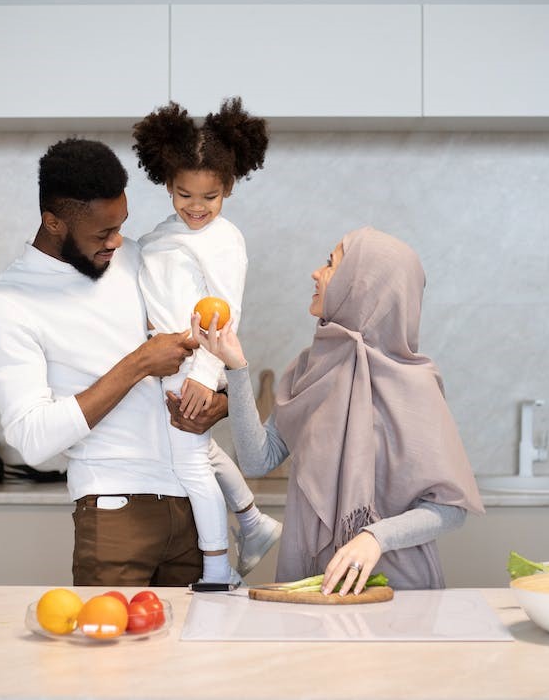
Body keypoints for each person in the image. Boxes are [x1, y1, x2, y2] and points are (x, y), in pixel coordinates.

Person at [0, 137, 228, 587]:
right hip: (114, 514)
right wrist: (137, 364)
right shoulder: (9, 304)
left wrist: (219, 400)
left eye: (121, 226)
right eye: (101, 233)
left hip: (193, 507)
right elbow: (32, 440)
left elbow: (196, 350)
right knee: (109, 658)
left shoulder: (134, 257)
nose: (117, 242)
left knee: (196, 656)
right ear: (53, 222)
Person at [190, 227, 485, 594]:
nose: (316, 272)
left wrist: (374, 538)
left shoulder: (415, 383)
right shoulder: (309, 367)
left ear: (361, 285)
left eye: (331, 264)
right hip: (313, 583)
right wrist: (236, 368)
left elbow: (450, 510)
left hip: (395, 591)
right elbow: (257, 459)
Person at [132, 98, 282, 583]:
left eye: (209, 197)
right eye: (184, 194)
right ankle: (253, 521)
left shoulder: (223, 239)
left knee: (191, 465)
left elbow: (225, 308)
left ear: (229, 188)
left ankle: (219, 570)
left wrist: (202, 375)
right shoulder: (163, 234)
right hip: (166, 363)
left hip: (192, 364)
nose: (196, 208)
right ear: (167, 185)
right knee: (197, 453)